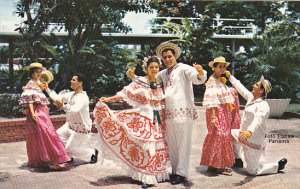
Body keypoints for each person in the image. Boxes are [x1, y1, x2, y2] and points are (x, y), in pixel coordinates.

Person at [94, 56, 169, 188]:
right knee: (146, 145)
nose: (154, 69)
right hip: (144, 115)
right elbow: (124, 94)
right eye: (151, 67)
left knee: (157, 145)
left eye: (156, 67)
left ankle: (156, 174)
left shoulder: (159, 82)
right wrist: (109, 99)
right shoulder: (140, 81)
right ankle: (146, 176)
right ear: (146, 68)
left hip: (157, 117)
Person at [155, 42, 207, 184]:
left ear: (175, 56)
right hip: (169, 113)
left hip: (184, 112)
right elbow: (150, 80)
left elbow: (198, 79)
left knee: (184, 143)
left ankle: (181, 173)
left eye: (170, 56)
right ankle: (174, 171)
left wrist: (201, 72)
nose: (167, 59)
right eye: (164, 57)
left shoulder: (183, 68)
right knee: (172, 144)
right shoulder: (163, 73)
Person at [226, 71, 288, 175]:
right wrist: (230, 77)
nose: (253, 85)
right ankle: (237, 159)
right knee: (226, 134)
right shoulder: (251, 98)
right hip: (242, 134)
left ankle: (277, 166)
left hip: (253, 140)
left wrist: (249, 131)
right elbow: (241, 89)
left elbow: (258, 120)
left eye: (256, 84)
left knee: (252, 171)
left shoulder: (264, 106)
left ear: (261, 90)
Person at [19, 62, 70, 170]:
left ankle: (53, 158)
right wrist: (32, 113)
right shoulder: (30, 84)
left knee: (47, 134)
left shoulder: (37, 83)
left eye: (40, 72)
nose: (39, 74)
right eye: (37, 72)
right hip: (37, 112)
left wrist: (44, 87)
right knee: (43, 134)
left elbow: (43, 92)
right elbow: (30, 100)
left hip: (43, 111)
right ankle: (45, 160)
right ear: (32, 73)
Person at [45, 73, 98, 165]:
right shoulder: (71, 94)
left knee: (70, 149)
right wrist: (47, 88)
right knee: (56, 137)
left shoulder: (83, 97)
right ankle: (68, 155)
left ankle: (92, 152)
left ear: (80, 83)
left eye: (73, 80)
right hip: (69, 126)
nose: (71, 81)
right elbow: (57, 97)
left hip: (81, 128)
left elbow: (74, 109)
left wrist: (62, 106)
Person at [200, 56, 239, 176]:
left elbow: (225, 96)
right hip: (216, 111)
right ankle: (216, 165)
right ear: (214, 67)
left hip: (224, 111)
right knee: (219, 135)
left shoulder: (220, 80)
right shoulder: (212, 81)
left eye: (224, 67)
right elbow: (212, 100)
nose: (222, 69)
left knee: (223, 136)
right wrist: (213, 117)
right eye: (219, 66)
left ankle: (217, 164)